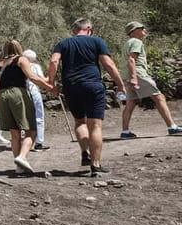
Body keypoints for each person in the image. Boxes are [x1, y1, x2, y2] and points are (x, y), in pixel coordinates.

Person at [48, 18, 127, 177]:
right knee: (95, 126)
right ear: (89, 29)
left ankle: (85, 152)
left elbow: (53, 61)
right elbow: (108, 64)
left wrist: (51, 83)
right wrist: (120, 84)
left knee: (79, 121)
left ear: (74, 30)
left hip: (71, 86)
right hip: (92, 85)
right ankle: (95, 165)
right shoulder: (97, 41)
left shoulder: (63, 43)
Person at [0, 40, 53, 174]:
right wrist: (48, 87)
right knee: (31, 129)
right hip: (17, 93)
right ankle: (22, 157)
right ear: (19, 49)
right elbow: (32, 77)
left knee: (14, 132)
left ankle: (19, 167)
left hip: (2, 95)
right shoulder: (21, 60)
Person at [120, 21, 182, 138]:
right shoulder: (136, 41)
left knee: (131, 103)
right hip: (138, 74)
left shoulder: (127, 43)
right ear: (133, 32)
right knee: (159, 97)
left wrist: (130, 77)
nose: (144, 30)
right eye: (141, 28)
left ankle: (125, 132)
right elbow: (131, 60)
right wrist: (134, 77)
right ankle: (172, 127)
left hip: (127, 76)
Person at [23, 49, 49, 151]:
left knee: (26, 117)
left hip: (23, 93)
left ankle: (26, 141)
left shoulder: (19, 66)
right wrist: (50, 79)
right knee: (39, 116)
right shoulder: (35, 66)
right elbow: (42, 79)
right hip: (34, 92)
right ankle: (38, 142)